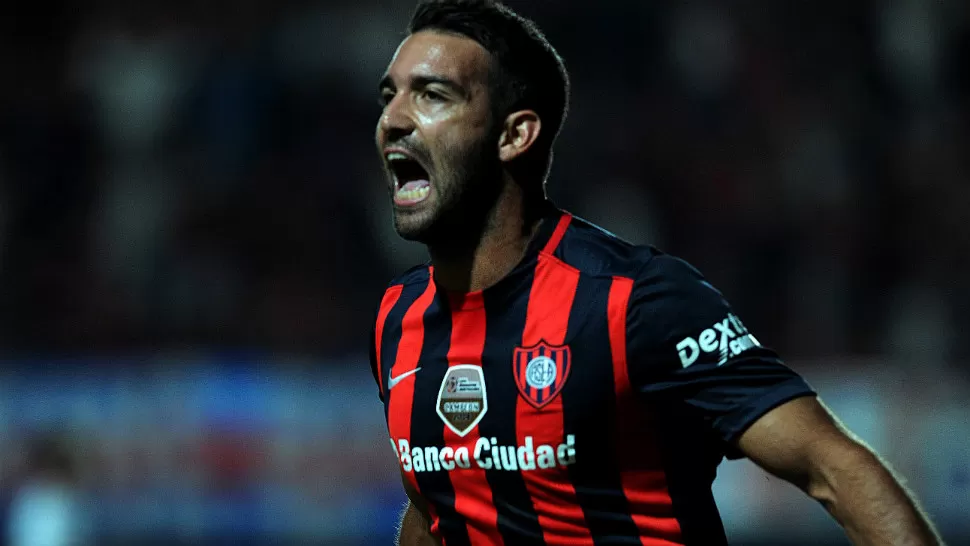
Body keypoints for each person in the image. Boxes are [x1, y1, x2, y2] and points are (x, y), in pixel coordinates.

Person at [368, 1, 943, 544]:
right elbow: (436, 506)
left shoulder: (634, 302)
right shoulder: (398, 320)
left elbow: (833, 468)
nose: (392, 119)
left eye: (433, 95)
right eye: (389, 96)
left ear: (514, 135)